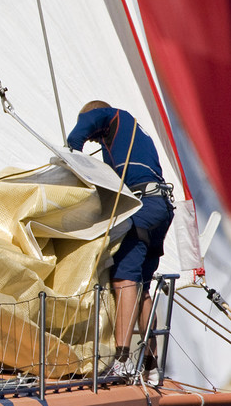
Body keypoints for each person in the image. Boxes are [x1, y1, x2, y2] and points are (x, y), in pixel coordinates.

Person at [66, 100, 174, 378]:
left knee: (124, 279)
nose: (93, 139)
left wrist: (72, 156)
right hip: (161, 207)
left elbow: (78, 133)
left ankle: (122, 360)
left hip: (145, 208)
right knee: (143, 287)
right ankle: (151, 365)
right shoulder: (133, 137)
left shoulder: (113, 116)